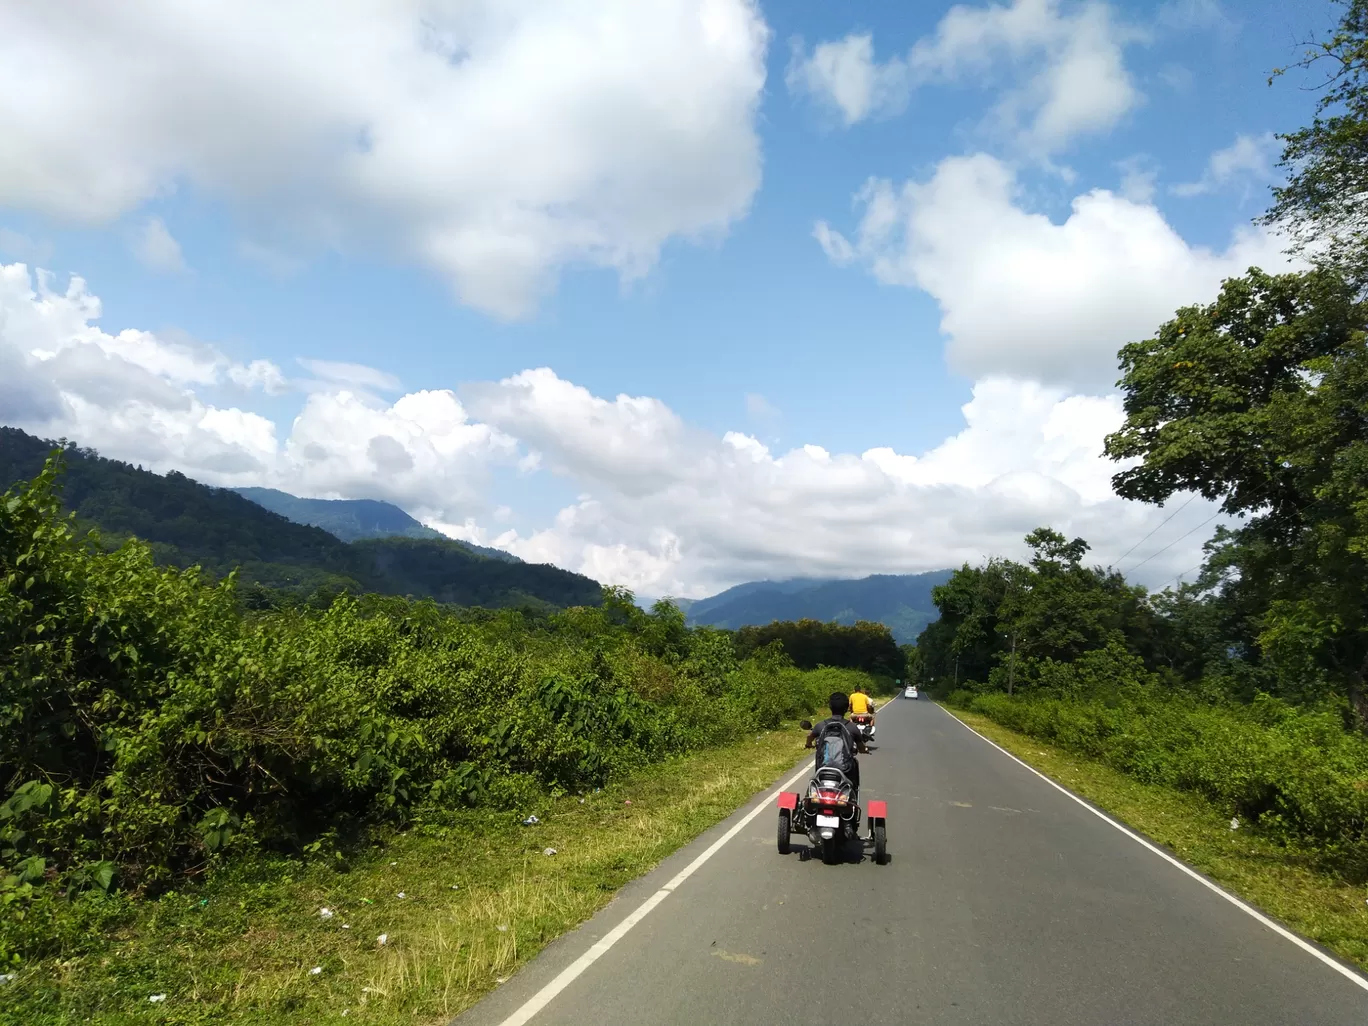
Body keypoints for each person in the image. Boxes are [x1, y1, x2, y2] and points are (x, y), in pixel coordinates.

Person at [804, 691, 868, 793]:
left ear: (830, 707)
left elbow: (809, 737)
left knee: (814, 783)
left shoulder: (820, 725)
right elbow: (861, 747)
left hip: (822, 768)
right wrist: (864, 750)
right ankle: (853, 794)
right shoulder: (852, 727)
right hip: (845, 770)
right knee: (853, 783)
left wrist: (808, 744)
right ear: (846, 708)